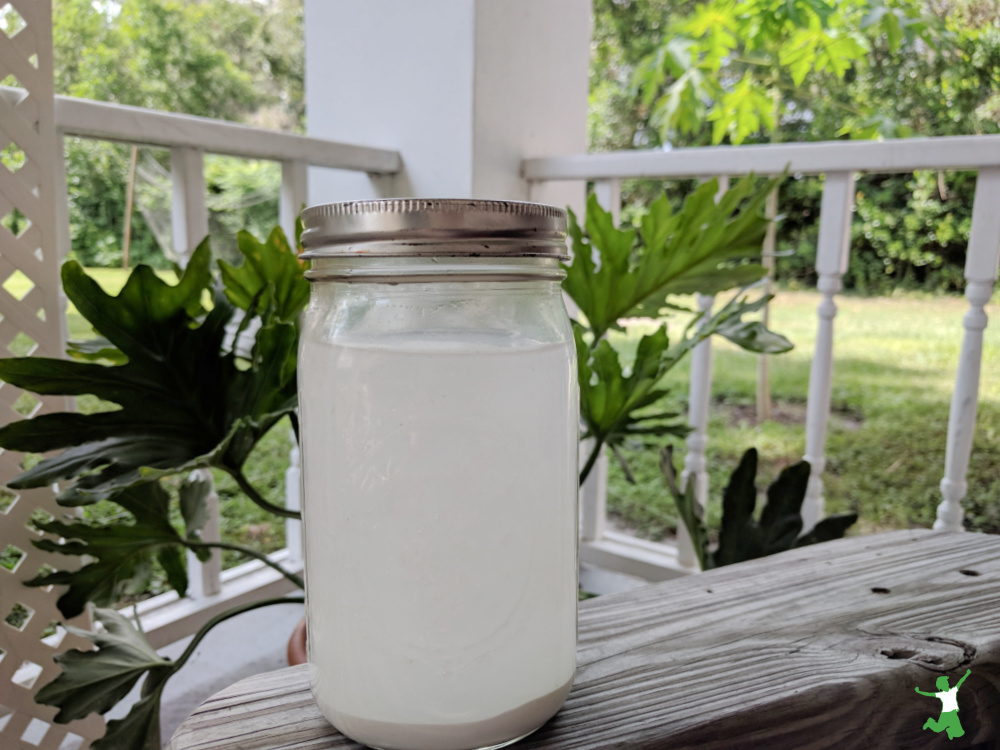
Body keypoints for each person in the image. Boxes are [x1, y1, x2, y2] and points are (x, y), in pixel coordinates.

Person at [915, 669, 972, 740]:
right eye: (945, 683)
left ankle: (950, 731)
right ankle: (930, 722)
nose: (947, 684)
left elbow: (960, 682)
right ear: (942, 685)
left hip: (953, 714)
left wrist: (967, 674)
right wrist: (919, 692)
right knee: (938, 729)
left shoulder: (953, 690)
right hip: (946, 714)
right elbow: (929, 694)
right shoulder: (941, 694)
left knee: (960, 732)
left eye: (947, 682)